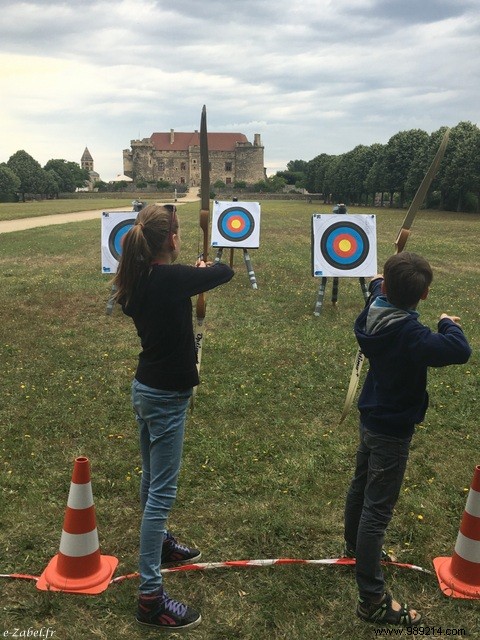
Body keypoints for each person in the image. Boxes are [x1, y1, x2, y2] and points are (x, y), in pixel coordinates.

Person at [113, 203, 234, 631]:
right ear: (171, 240)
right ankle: (150, 597)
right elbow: (224, 272)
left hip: (146, 389)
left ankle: (161, 546)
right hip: (164, 397)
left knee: (150, 477)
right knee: (160, 496)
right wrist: (202, 266)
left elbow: (179, 283)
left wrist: (190, 271)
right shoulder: (169, 278)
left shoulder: (139, 278)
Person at [343, 252, 471, 626]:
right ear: (425, 295)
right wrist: (448, 323)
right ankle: (371, 600)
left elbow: (377, 286)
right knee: (376, 510)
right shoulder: (413, 335)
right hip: (392, 430)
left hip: (371, 417)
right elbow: (459, 351)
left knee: (360, 485)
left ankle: (354, 548)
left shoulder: (373, 310)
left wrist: (386, 278)